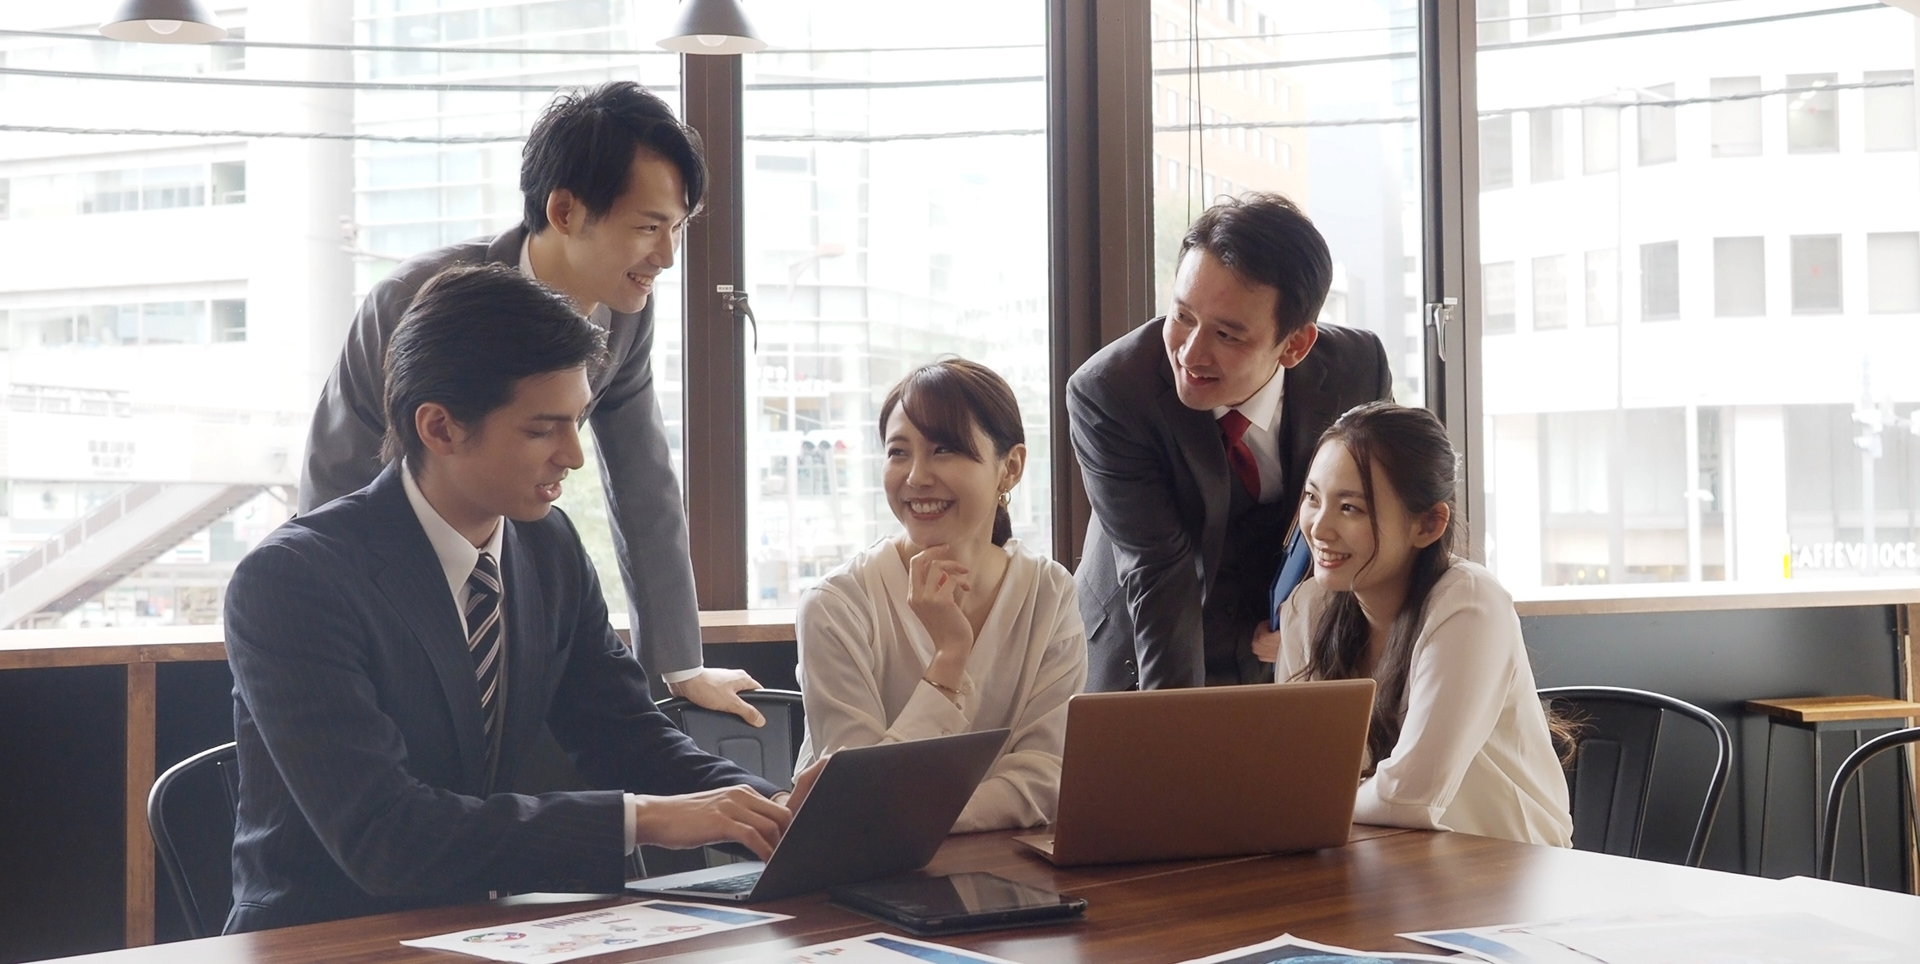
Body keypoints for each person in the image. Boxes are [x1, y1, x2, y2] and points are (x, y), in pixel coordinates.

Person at [224, 266, 823, 932]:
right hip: (322, 939)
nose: (573, 456)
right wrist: (647, 819)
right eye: (542, 430)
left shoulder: (547, 548)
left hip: (487, 929)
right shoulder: (293, 582)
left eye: (578, 423)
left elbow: (626, 735)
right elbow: (386, 836)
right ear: (440, 428)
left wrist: (777, 812)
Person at [301, 81, 764, 724]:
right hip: (384, 609)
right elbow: (339, 476)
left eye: (679, 230)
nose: (666, 256)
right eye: (648, 227)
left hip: (510, 608)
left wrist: (677, 666)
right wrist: (344, 645)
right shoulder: (418, 301)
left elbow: (643, 482)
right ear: (566, 210)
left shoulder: (626, 315)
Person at [1068, 192, 1392, 691]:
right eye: (1182, 317)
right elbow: (1160, 575)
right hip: (1148, 641)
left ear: (1295, 345)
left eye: (1227, 335)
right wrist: (1176, 732)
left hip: (1290, 647)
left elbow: (1382, 516)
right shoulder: (1112, 392)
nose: (1190, 354)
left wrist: (1312, 615)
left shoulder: (1356, 371)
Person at [793, 360, 1087, 832]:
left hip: (1003, 869)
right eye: (898, 452)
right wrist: (949, 660)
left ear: (1010, 467)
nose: (916, 477)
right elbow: (859, 803)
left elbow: (1048, 774)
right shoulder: (835, 605)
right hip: (856, 880)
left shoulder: (1047, 592)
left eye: (944, 449)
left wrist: (923, 813)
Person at [1275, 402, 1572, 847]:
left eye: (1351, 508)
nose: (1319, 527)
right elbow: (1290, 773)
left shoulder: (1469, 603)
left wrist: (1317, 802)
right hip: (1386, 865)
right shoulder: (1309, 607)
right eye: (1313, 498)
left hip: (1511, 876)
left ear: (1429, 524)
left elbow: (1411, 797)